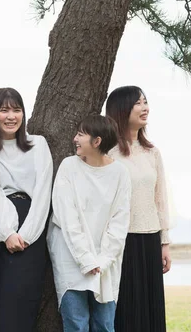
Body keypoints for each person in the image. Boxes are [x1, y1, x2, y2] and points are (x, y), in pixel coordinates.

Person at [0, 87, 53, 332]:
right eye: (4, 110)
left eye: (16, 109)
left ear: (24, 114)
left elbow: (43, 193)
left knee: (20, 303)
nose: (11, 116)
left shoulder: (38, 145)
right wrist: (7, 233)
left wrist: (26, 234)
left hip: (30, 230)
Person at [48, 115, 131, 332]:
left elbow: (119, 222)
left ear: (97, 141)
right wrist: (85, 258)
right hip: (70, 255)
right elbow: (67, 217)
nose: (75, 138)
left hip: (106, 261)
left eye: (81, 134)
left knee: (104, 325)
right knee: (76, 324)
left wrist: (102, 261)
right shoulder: (69, 167)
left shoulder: (120, 173)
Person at [106, 86, 172, 332]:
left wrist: (164, 242)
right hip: (121, 241)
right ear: (122, 109)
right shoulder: (108, 153)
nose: (145, 108)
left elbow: (160, 198)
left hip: (150, 238)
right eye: (138, 103)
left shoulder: (152, 152)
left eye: (146, 102)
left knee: (151, 309)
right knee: (127, 310)